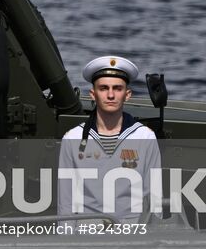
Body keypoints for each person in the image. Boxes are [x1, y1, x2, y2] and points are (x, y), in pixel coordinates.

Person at [56, 56, 160, 221]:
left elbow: (153, 200)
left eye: (117, 88)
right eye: (103, 88)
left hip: (131, 236)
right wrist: (68, 245)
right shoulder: (72, 138)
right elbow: (66, 205)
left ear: (127, 94)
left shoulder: (145, 137)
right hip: (87, 236)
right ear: (93, 94)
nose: (110, 95)